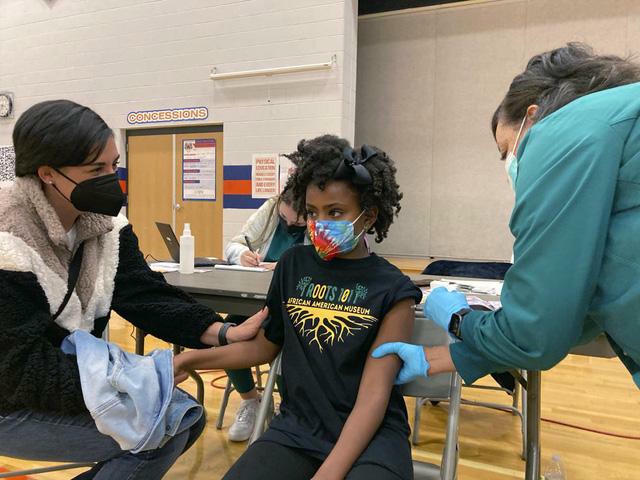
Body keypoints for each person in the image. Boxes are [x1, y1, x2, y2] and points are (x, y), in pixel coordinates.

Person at [0, 99, 265, 479]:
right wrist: (133, 378)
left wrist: (221, 331)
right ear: (48, 174)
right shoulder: (7, 238)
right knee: (164, 428)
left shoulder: (106, 227)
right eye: (96, 169)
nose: (112, 178)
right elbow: (17, 368)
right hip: (10, 394)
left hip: (54, 372)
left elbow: (142, 293)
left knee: (182, 417)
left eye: (114, 165)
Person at [373, 43, 640, 391]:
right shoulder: (617, 120)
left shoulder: (562, 133)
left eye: (507, 151)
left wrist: (459, 319)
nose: (512, 166)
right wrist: (442, 358)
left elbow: (536, 335)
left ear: (532, 116)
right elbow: (572, 314)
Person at [174, 135, 422, 480]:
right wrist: (189, 359)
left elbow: (374, 396)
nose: (320, 223)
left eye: (335, 212)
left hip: (372, 436)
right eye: (313, 213)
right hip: (297, 429)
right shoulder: (293, 265)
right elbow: (263, 346)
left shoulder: (393, 289)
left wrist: (328, 473)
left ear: (368, 217)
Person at [222, 187, 307, 441]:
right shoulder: (270, 209)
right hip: (256, 300)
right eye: (284, 218)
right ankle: (252, 401)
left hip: (294, 304)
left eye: (297, 223)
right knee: (227, 333)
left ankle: (289, 408)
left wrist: (284, 266)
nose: (289, 225)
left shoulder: (320, 220)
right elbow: (233, 244)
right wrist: (242, 255)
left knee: (285, 342)